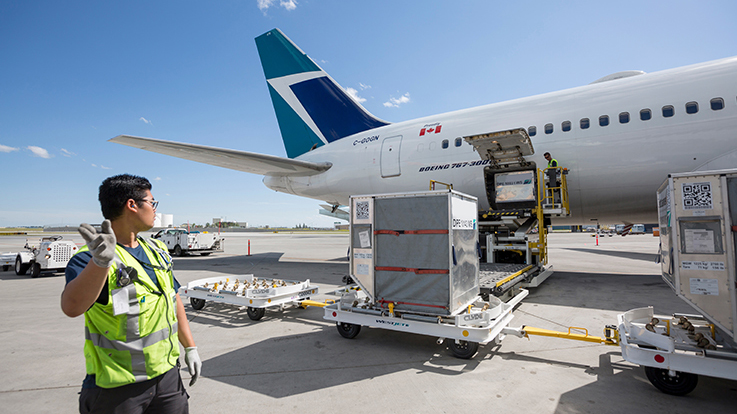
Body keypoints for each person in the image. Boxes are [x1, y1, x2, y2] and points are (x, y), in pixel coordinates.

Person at [61, 174, 201, 414]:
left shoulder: (156, 250)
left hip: (167, 377)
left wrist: (190, 347)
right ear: (132, 205)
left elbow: (172, 296)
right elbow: (72, 307)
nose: (155, 210)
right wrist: (100, 263)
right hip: (118, 388)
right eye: (152, 203)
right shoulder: (89, 258)